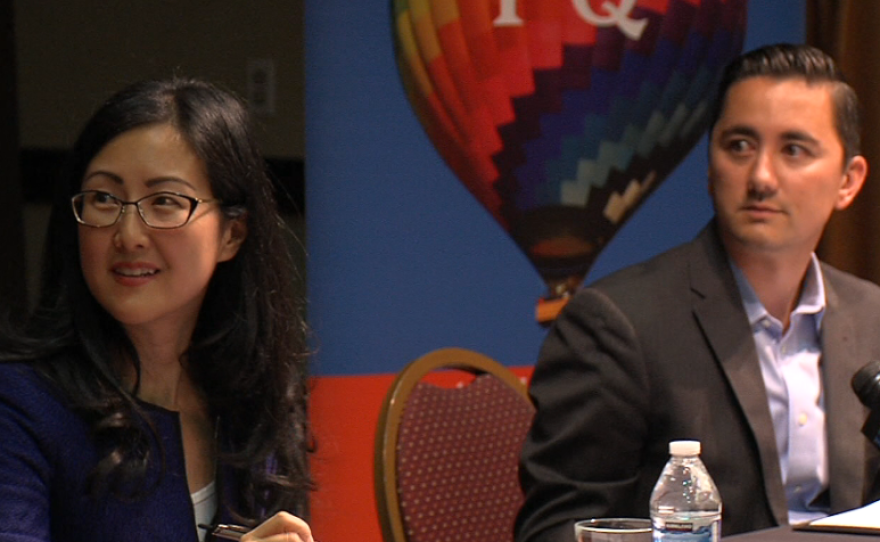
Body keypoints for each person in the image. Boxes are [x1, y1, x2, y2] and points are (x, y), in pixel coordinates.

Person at [515, 43, 880, 542]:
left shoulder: (872, 316)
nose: (761, 177)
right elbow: (557, 530)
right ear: (710, 167)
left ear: (848, 181)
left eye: (794, 150)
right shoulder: (617, 324)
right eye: (739, 146)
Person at [0, 78, 315, 541]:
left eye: (165, 201)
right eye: (104, 198)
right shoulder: (20, 402)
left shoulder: (255, 399)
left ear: (231, 234)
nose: (128, 234)